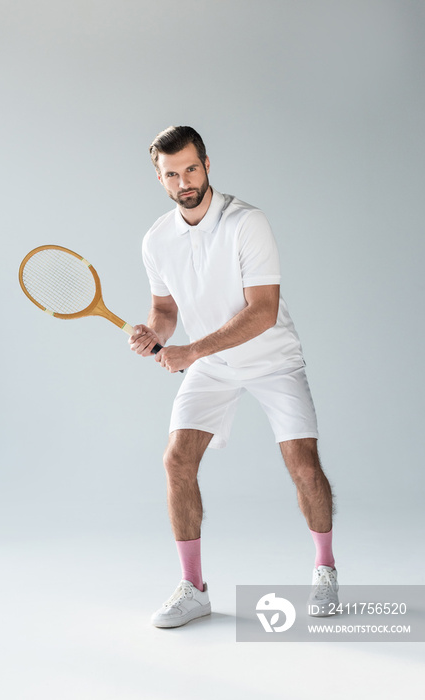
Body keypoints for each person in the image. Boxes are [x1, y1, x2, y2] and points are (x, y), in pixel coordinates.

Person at [129, 125, 338, 628]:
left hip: (272, 359)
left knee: (304, 465)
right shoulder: (157, 240)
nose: (185, 181)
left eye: (191, 168)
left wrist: (190, 352)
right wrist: (153, 333)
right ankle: (194, 587)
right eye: (172, 174)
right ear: (159, 178)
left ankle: (325, 568)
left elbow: (262, 312)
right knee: (177, 459)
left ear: (206, 164)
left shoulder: (247, 223)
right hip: (212, 365)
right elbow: (164, 308)